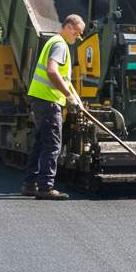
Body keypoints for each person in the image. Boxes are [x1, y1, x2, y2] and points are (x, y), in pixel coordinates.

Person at [22, 14, 86, 200]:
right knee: (52, 144)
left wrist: (75, 98)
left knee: (40, 143)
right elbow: (52, 71)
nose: (78, 37)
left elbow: (64, 79)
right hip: (48, 101)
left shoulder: (55, 42)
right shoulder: (60, 45)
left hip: (41, 99)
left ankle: (30, 184)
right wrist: (67, 96)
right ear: (69, 27)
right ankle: (46, 187)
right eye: (77, 33)